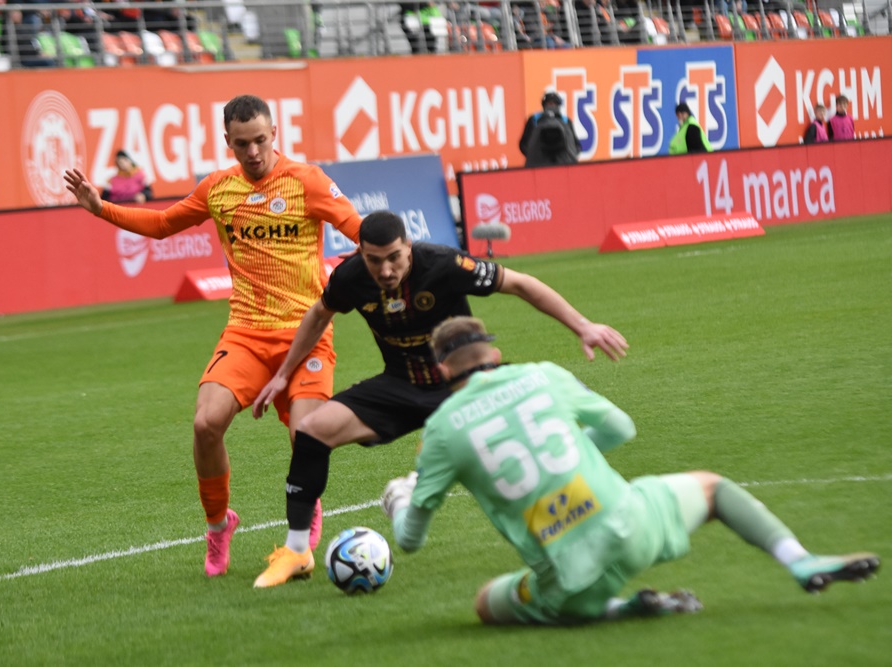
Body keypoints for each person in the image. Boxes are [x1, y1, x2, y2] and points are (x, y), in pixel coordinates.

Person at [380, 316, 880, 625]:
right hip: (633, 526)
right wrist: (579, 450)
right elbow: (621, 427)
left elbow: (410, 540)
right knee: (713, 488)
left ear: (441, 371)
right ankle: (799, 561)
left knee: (486, 603)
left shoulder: (441, 430)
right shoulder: (542, 375)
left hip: (567, 580)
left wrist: (400, 500)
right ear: (494, 355)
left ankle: (621, 608)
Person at [63, 94, 362, 578]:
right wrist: (102, 209)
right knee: (205, 424)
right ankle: (219, 525)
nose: (253, 152)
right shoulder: (218, 189)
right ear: (228, 142)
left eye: (260, 140)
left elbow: (360, 229)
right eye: (242, 144)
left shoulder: (307, 181)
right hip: (245, 333)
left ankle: (305, 511)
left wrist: (387, 264)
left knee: (306, 437)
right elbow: (164, 224)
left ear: (274, 133)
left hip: (305, 334)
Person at [249, 210, 628, 588]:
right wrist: (283, 374)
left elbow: (520, 283)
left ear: (409, 247)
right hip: (400, 385)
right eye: (374, 260)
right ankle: (297, 551)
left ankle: (581, 522)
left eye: (394, 257)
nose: (385, 270)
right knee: (311, 431)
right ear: (361, 254)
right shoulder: (350, 277)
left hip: (463, 387)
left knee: (524, 446)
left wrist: (583, 326)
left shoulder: (443, 264)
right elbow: (319, 314)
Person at [519, 89, 580, 166]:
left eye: (554, 104)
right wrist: (535, 156)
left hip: (563, 164)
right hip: (539, 165)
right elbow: (524, 144)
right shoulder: (534, 120)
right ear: (544, 105)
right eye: (549, 103)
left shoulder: (566, 121)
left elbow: (576, 145)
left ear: (558, 105)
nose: (551, 106)